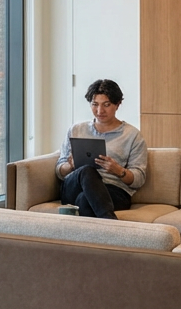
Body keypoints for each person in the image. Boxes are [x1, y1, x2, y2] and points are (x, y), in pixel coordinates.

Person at [55, 78, 147, 220]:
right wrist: (70, 166)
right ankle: (112, 223)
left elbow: (139, 179)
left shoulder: (132, 135)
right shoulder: (76, 130)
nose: (100, 111)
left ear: (118, 104)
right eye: (95, 104)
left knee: (84, 200)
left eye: (106, 105)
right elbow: (59, 170)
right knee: (86, 170)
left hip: (113, 191)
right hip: (74, 187)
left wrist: (118, 170)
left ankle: (104, 226)